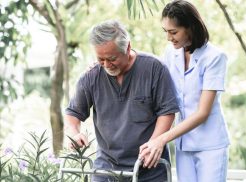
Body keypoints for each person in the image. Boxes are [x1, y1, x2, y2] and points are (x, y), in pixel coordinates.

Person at [64, 20, 179, 182]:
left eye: (111, 58)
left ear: (128, 48)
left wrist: (155, 143)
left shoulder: (154, 69)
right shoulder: (91, 76)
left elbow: (167, 112)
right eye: (100, 59)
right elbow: (73, 114)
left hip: (149, 168)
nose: (106, 65)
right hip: (106, 168)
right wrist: (74, 134)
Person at [139, 1, 230, 182]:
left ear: (191, 27)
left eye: (173, 32)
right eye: (165, 31)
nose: (168, 37)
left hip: (210, 145)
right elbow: (152, 68)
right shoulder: (171, 52)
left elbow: (202, 113)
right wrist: (121, 54)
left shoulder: (214, 57)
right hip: (184, 145)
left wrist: (161, 139)